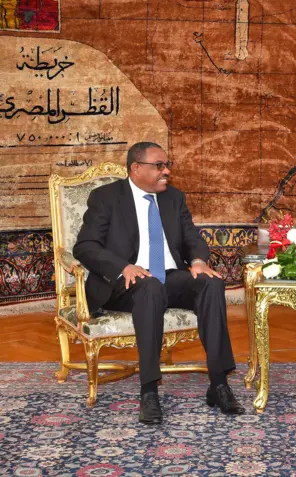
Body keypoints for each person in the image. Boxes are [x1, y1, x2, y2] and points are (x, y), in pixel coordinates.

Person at [74, 142, 245, 424]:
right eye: (159, 166)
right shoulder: (106, 198)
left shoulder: (173, 198)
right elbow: (85, 246)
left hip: (167, 276)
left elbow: (192, 238)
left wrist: (199, 261)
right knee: (149, 287)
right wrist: (123, 266)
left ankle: (219, 384)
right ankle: (149, 391)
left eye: (168, 165)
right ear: (136, 168)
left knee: (211, 284)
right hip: (123, 284)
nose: (166, 171)